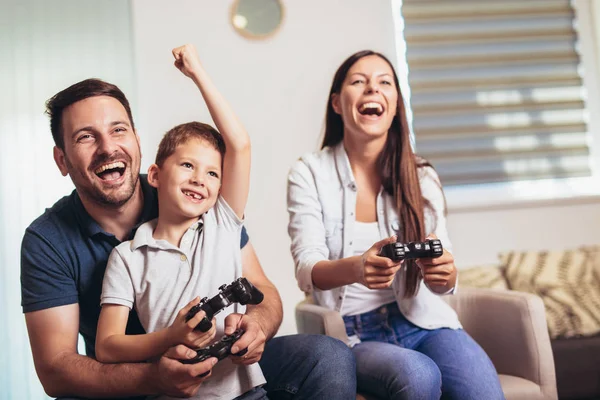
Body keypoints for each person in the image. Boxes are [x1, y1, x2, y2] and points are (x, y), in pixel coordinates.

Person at [20, 44, 356, 400]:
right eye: (85, 137)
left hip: (226, 367)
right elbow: (59, 368)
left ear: (136, 139)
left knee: (329, 357)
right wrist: (157, 374)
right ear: (62, 160)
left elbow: (264, 292)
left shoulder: (205, 211)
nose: (107, 147)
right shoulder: (61, 243)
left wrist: (255, 325)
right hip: (126, 384)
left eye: (118, 130)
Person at [286, 50, 505, 400]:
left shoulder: (421, 175)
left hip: (425, 322)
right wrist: (358, 268)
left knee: (484, 394)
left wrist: (445, 275)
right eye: (358, 81)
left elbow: (445, 275)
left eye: (384, 82)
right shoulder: (309, 173)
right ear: (338, 104)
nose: (372, 88)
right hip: (355, 333)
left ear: (396, 103)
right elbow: (306, 268)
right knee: (417, 375)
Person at [95, 43, 270, 400]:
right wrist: (170, 338)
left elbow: (240, 144)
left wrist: (197, 74)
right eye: (187, 166)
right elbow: (107, 346)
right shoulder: (128, 257)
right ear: (155, 175)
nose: (199, 179)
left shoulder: (222, 224)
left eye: (212, 173)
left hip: (244, 392)